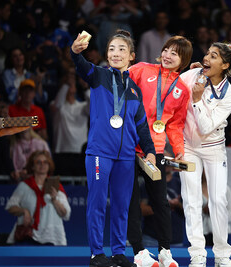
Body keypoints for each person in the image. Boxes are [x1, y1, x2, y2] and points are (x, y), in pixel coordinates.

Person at [71, 30, 156, 267]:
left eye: (121, 49)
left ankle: (119, 252)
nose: (115, 53)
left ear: (131, 56)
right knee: (97, 203)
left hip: (126, 157)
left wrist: (149, 149)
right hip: (100, 153)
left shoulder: (135, 90)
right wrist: (75, 52)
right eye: (111, 49)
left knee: (122, 206)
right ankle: (97, 254)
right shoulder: (98, 76)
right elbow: (81, 64)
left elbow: (141, 126)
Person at [127, 36, 192, 267]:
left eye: (174, 53)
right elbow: (118, 81)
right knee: (131, 199)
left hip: (155, 150)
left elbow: (175, 125)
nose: (167, 55)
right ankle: (139, 251)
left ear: (183, 60)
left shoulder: (182, 89)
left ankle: (165, 251)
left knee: (160, 201)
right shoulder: (142, 69)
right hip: (128, 146)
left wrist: (180, 150)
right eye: (166, 50)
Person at [179, 42, 231, 267]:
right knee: (191, 199)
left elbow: (205, 128)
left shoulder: (230, 96)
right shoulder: (192, 75)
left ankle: (222, 256)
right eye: (207, 53)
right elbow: (172, 93)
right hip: (187, 147)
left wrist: (196, 101)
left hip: (214, 149)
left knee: (218, 200)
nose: (206, 58)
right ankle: (197, 253)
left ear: (225, 65)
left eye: (214, 56)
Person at [5, 150, 71, 245]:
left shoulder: (56, 187)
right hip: (29, 236)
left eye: (45, 162)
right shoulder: (24, 186)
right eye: (38, 162)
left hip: (52, 238)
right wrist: (24, 211)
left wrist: (54, 200)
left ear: (49, 166)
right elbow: (10, 207)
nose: (42, 165)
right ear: (32, 166)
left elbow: (65, 214)